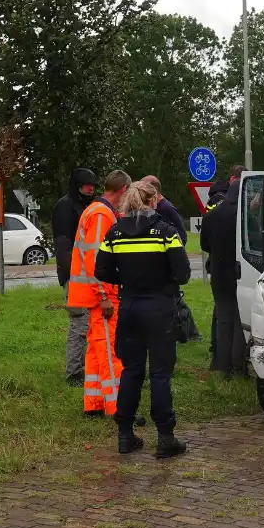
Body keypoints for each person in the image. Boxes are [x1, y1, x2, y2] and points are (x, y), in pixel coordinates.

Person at [95, 180, 192, 458]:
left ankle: (125, 435)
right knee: (160, 374)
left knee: (131, 371)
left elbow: (101, 270)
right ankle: (165, 438)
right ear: (152, 201)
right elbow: (183, 273)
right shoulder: (165, 232)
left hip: (129, 308)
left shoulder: (114, 233)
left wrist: (124, 279)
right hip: (160, 309)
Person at [67, 169, 131, 417]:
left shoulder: (95, 210)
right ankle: (118, 407)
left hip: (94, 294)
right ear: (123, 190)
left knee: (95, 350)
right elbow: (96, 258)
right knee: (110, 351)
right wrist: (104, 294)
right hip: (102, 295)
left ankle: (93, 404)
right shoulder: (102, 214)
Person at [52, 167, 97, 386]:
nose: (91, 189)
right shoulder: (65, 207)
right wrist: (73, 275)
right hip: (74, 275)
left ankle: (85, 367)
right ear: (77, 185)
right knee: (79, 323)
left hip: (88, 274)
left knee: (89, 324)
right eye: (87, 185)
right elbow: (63, 246)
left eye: (93, 185)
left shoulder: (88, 206)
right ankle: (74, 372)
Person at [200, 171, 246, 378]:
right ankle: (238, 367)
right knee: (238, 320)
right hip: (239, 272)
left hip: (218, 272)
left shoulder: (212, 214)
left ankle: (221, 363)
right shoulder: (244, 215)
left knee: (223, 319)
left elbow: (204, 244)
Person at [202, 178, 230, 367]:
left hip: (215, 263)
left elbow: (205, 241)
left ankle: (216, 348)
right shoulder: (225, 207)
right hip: (226, 264)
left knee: (218, 311)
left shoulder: (209, 208)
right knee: (223, 313)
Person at [139, 175, 188, 245]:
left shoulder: (167, 209)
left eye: (143, 189)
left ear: (154, 189)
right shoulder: (147, 208)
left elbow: (182, 236)